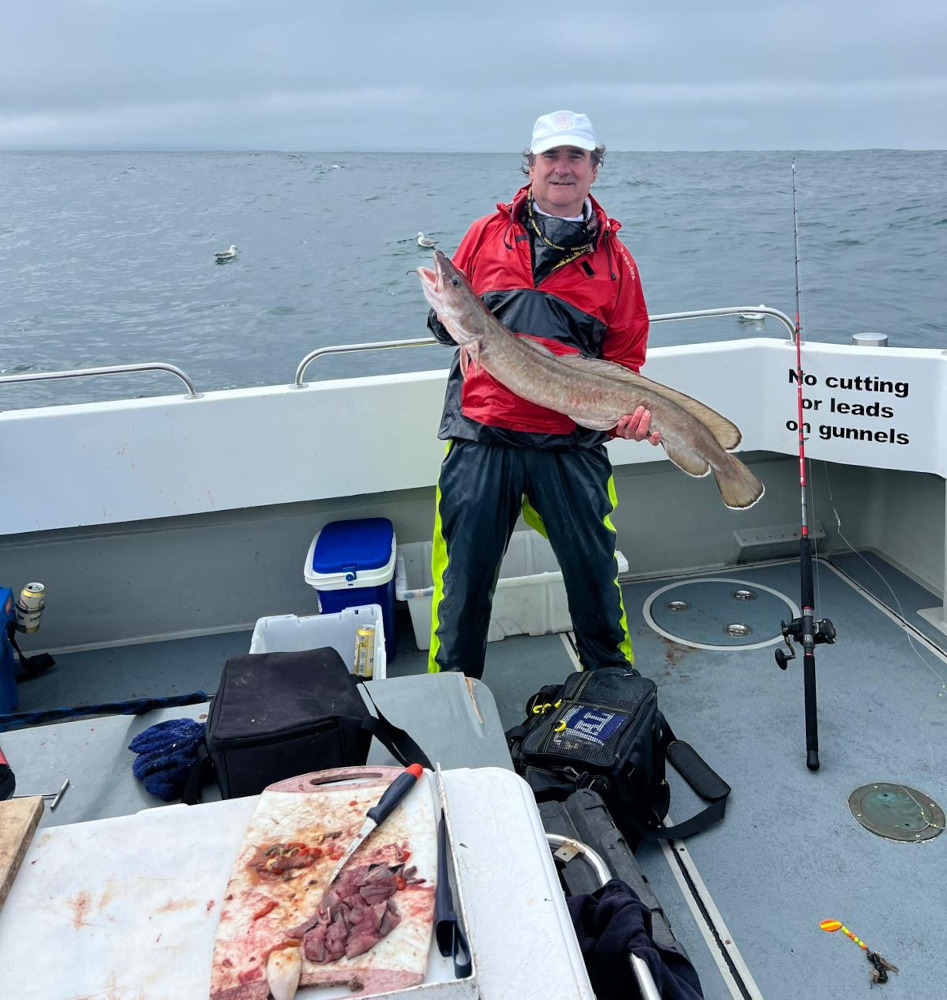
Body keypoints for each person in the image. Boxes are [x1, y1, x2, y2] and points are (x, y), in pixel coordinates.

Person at [426, 109, 660, 680]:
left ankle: (615, 692)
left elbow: (625, 358)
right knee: (460, 590)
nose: (562, 168)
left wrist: (621, 419)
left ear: (594, 169)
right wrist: (452, 322)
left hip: (570, 444)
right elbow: (446, 319)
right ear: (529, 166)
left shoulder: (617, 263)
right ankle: (452, 702)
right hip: (484, 435)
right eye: (550, 156)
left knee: (595, 583)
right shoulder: (485, 234)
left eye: (575, 156)